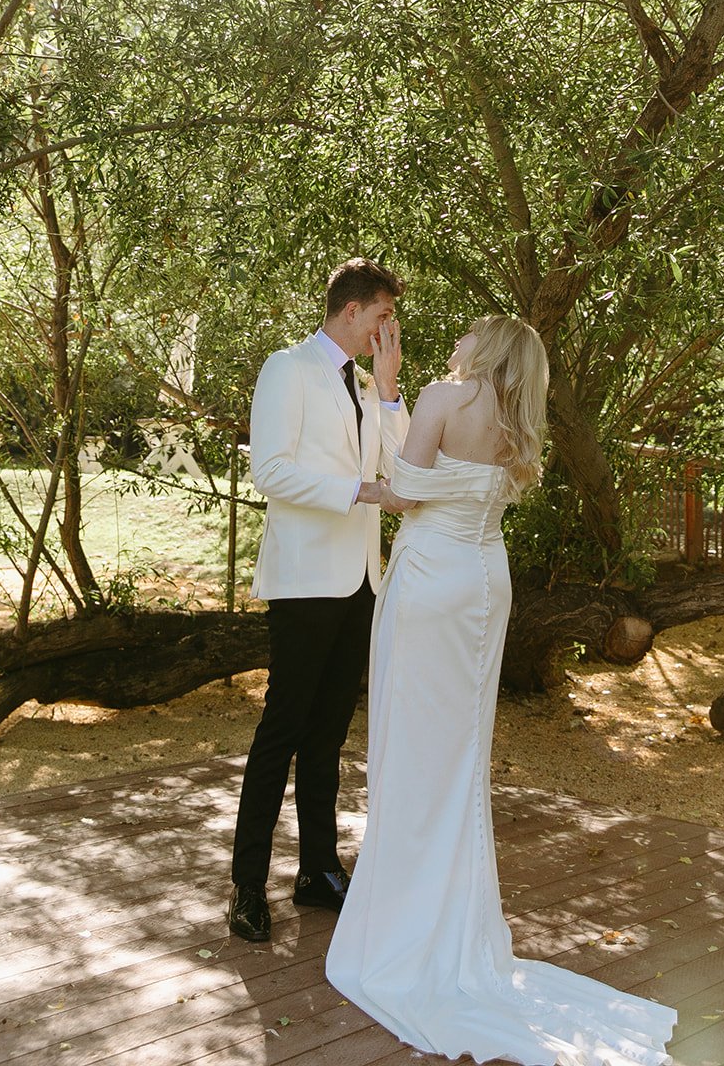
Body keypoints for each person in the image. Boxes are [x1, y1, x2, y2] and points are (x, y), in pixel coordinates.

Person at [326, 315, 677, 1065]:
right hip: (485, 580)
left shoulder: (446, 395)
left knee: (413, 744)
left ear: (483, 350)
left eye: (465, 334)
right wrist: (392, 398)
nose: (452, 341)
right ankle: (450, 923)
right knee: (457, 755)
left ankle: (406, 933)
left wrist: (384, 408)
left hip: (429, 581)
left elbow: (406, 493)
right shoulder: (517, 416)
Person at [228, 258, 409, 944]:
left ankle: (316, 871)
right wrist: (360, 492)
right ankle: (247, 884)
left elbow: (403, 460)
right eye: (383, 316)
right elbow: (270, 470)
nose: (387, 330)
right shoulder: (288, 368)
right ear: (353, 311)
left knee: (329, 736)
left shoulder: (367, 384)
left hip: (361, 578)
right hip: (304, 580)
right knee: (282, 731)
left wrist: (389, 393)